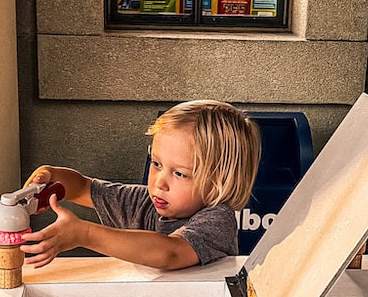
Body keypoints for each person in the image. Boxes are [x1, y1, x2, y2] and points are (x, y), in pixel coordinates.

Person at [22, 100, 261, 271]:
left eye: (179, 173)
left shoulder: (218, 219)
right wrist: (52, 178)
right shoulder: (142, 202)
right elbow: (83, 188)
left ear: (218, 182)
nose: (159, 182)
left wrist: (85, 234)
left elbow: (170, 253)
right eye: (156, 163)